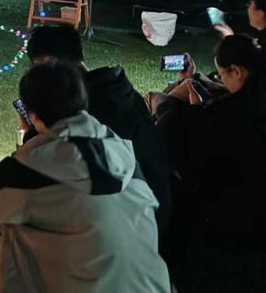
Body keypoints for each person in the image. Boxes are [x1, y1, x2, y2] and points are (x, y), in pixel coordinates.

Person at [0, 62, 171, 293]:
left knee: (12, 227)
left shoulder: (34, 166)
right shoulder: (121, 151)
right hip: (153, 287)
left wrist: (28, 143)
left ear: (32, 114)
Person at [150, 35, 266, 250]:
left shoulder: (232, 118)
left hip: (257, 228)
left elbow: (178, 144)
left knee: (161, 123)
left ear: (236, 71)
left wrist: (171, 106)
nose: (221, 80)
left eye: (222, 75)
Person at [25, 26, 172, 235]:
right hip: (154, 211)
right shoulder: (119, 89)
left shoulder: (83, 113)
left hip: (131, 228)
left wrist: (33, 133)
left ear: (49, 64)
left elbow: (39, 169)